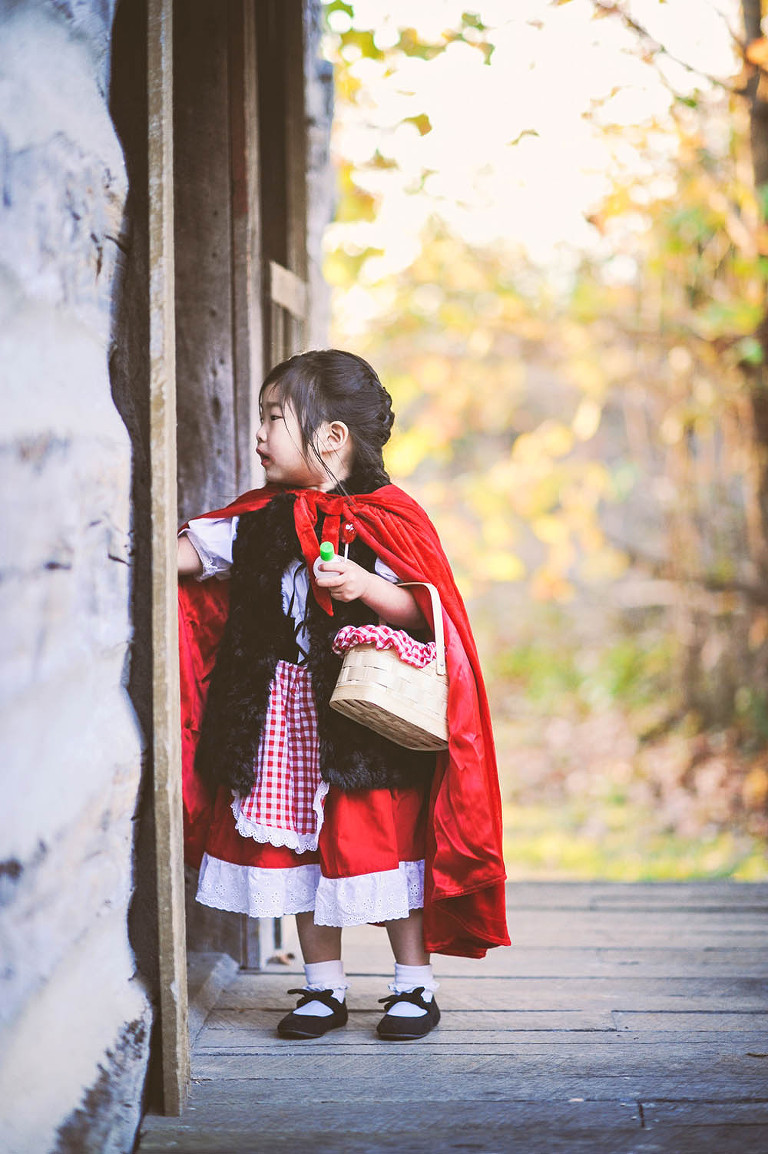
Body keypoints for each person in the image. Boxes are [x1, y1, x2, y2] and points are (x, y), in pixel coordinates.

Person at [178, 349, 509, 1041]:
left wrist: (366, 588)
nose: (260, 435)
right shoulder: (260, 519)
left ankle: (413, 984)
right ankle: (322, 986)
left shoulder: (386, 516)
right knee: (298, 843)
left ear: (331, 438)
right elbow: (191, 553)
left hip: (364, 718)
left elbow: (428, 608)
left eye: (274, 418)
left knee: (380, 845)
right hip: (283, 715)